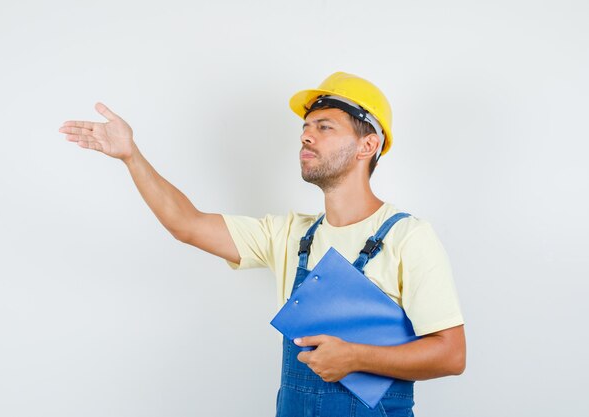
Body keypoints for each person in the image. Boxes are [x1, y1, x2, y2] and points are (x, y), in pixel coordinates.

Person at [59, 71, 466, 417]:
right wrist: (132, 156)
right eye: (306, 128)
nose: (307, 136)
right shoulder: (291, 236)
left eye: (324, 127)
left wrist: (356, 357)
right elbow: (186, 224)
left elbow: (451, 354)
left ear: (368, 145)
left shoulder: (407, 236)